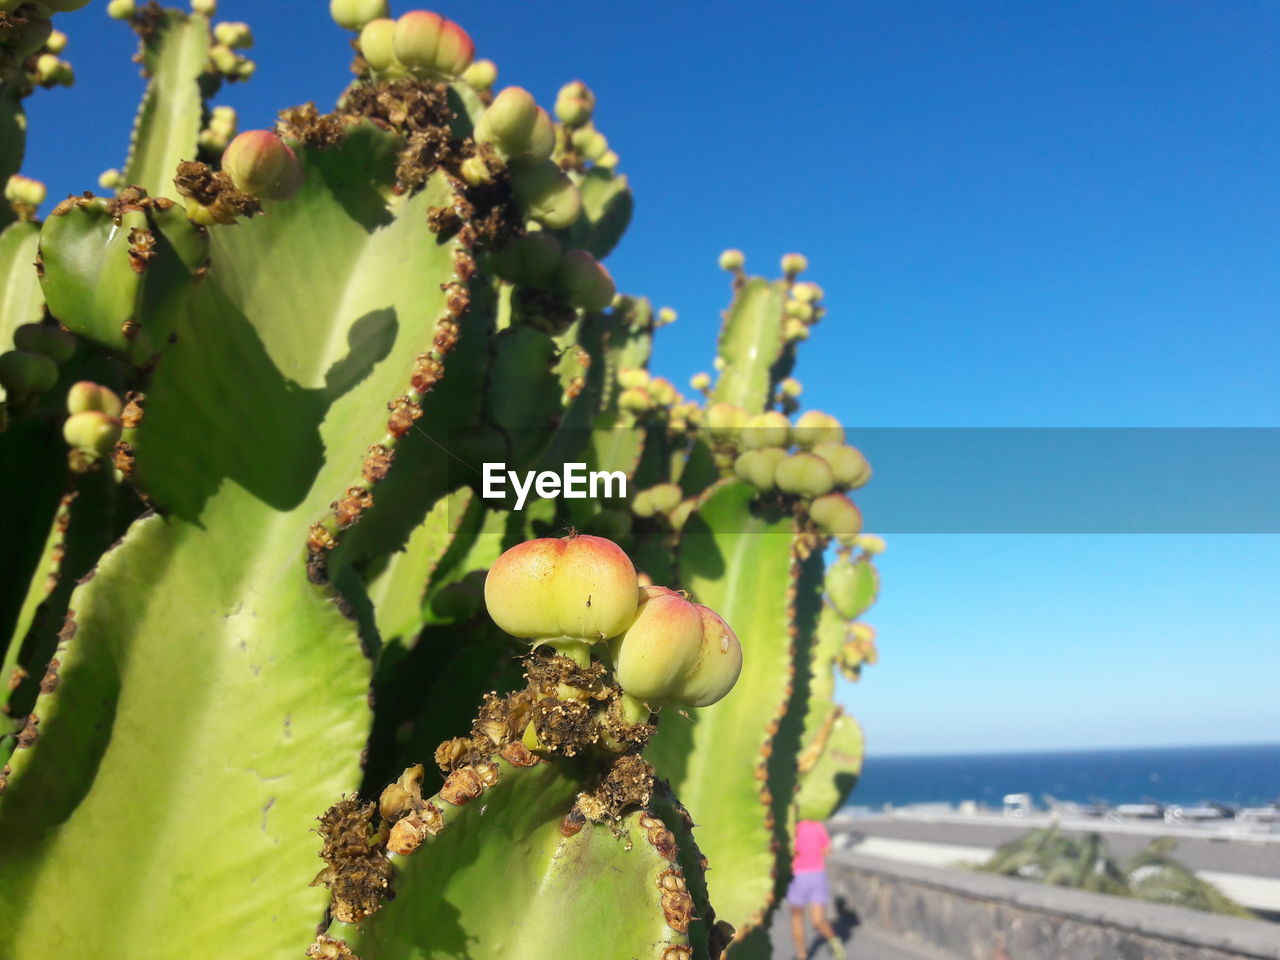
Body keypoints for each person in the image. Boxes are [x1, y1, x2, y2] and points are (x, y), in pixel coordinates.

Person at [786, 818, 844, 960]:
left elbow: (786, 852)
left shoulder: (790, 826)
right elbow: (828, 850)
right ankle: (834, 942)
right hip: (817, 875)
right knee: (818, 920)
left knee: (797, 918)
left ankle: (801, 955)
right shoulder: (817, 825)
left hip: (797, 876)